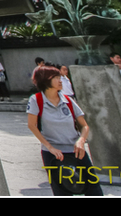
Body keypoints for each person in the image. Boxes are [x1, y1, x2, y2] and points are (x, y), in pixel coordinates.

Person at [27, 65, 102, 196]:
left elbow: (84, 126)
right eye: (56, 77)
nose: (60, 80)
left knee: (93, 188)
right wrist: (50, 147)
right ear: (45, 80)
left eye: (60, 77)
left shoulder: (68, 100)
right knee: (62, 191)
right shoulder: (36, 100)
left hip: (77, 151)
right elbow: (32, 125)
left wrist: (81, 141)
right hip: (54, 154)